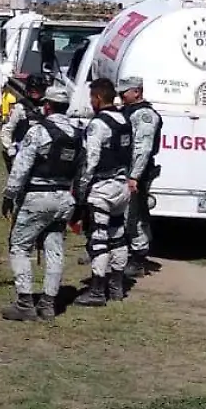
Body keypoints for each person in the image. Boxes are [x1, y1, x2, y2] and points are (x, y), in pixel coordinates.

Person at [0, 83, 82, 322]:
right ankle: (48, 303)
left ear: (47, 105)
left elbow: (21, 167)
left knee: (19, 246)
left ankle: (25, 302)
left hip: (37, 196)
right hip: (64, 198)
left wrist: (9, 195)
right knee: (54, 249)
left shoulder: (38, 131)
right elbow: (83, 170)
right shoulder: (78, 134)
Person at [73, 78, 131, 306]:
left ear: (98, 98)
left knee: (98, 238)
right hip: (122, 186)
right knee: (117, 236)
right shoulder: (124, 120)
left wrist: (81, 189)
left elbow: (91, 159)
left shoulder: (98, 124)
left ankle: (97, 290)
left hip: (103, 188)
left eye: (91, 98)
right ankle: (117, 286)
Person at [117, 76, 163, 280]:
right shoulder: (128, 111)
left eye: (124, 91)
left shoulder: (144, 115)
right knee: (127, 213)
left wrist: (134, 176)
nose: (121, 95)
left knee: (133, 215)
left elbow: (142, 148)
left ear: (137, 92)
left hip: (137, 173)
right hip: (127, 170)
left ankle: (138, 257)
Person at [0, 72, 45, 159]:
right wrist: (10, 149)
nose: (35, 93)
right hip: (21, 151)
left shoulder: (46, 108)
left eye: (38, 90)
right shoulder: (19, 108)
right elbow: (6, 130)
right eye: (33, 90)